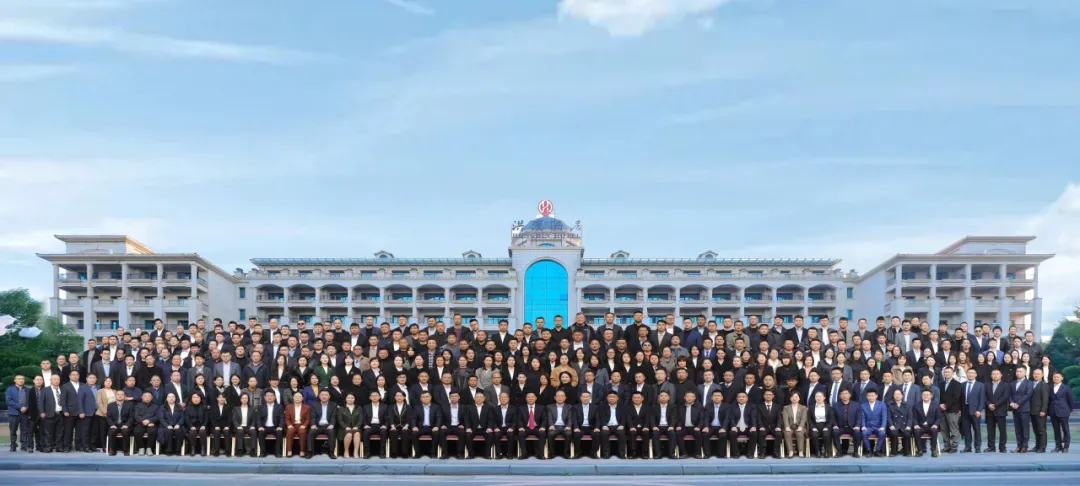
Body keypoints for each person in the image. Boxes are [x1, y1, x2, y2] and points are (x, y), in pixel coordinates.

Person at [959, 368, 985, 453]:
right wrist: (959, 409)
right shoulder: (962, 385)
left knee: (977, 429)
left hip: (975, 410)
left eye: (972, 373)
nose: (970, 374)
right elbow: (960, 399)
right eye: (969, 373)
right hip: (964, 410)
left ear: (975, 375)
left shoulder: (980, 385)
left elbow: (982, 399)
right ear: (966, 374)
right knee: (966, 430)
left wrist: (979, 410)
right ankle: (968, 447)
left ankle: (977, 447)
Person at [937, 366, 962, 453]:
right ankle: (947, 446)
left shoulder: (957, 384)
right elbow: (939, 396)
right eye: (945, 372)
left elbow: (956, 397)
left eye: (948, 372)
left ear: (953, 373)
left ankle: (954, 447)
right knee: (944, 430)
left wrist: (945, 405)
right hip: (942, 410)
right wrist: (940, 405)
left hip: (952, 410)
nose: (946, 373)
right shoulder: (941, 384)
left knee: (954, 429)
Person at [1010, 367, 1034, 453]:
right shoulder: (1013, 383)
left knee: (1025, 428)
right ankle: (1019, 446)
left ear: (1025, 373)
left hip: (1024, 408)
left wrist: (1018, 404)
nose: (1018, 373)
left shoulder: (1029, 383)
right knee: (1017, 429)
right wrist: (1011, 403)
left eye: (1020, 371)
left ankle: (1024, 446)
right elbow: (1010, 395)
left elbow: (1028, 395)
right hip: (1014, 409)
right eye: (1017, 371)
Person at [1049, 371, 1073, 453]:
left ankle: (1066, 446)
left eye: (1057, 377)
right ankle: (1058, 446)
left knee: (1065, 429)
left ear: (1062, 378)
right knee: (1056, 430)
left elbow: (1070, 400)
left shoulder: (1066, 388)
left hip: (1063, 411)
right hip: (1053, 411)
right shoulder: (1050, 387)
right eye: (1054, 377)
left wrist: (1068, 410)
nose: (1056, 378)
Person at [911, 389, 941, 457]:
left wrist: (935, 424)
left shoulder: (936, 405)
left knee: (934, 430)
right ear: (921, 396)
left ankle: (933, 450)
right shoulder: (916, 405)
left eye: (927, 395)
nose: (926, 396)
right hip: (920, 426)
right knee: (916, 431)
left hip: (931, 426)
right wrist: (915, 424)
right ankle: (920, 450)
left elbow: (939, 417)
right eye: (924, 395)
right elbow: (914, 417)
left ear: (931, 396)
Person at [859, 389, 888, 456]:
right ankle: (869, 451)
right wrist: (863, 426)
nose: (871, 397)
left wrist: (883, 427)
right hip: (868, 427)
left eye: (872, 396)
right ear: (866, 396)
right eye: (869, 396)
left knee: (882, 433)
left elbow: (884, 417)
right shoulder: (863, 405)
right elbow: (862, 417)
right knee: (864, 433)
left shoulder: (882, 404)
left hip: (878, 427)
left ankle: (877, 451)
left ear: (876, 396)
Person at [257, 389, 284, 457]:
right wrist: (260, 426)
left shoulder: (279, 407)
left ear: (274, 397)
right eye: (268, 396)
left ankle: (278, 452)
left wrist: (280, 426)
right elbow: (258, 418)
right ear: (265, 397)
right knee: (260, 433)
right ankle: (262, 452)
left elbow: (282, 418)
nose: (269, 397)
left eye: (271, 396)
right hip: (264, 427)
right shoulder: (260, 407)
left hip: (275, 427)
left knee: (279, 433)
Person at [105, 389, 133, 456]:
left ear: (124, 396)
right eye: (118, 394)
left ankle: (126, 450)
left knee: (126, 432)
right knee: (111, 431)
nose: (120, 396)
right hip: (114, 424)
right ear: (115, 396)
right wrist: (112, 424)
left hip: (124, 424)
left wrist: (127, 425)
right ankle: (112, 450)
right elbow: (108, 417)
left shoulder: (129, 405)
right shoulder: (110, 405)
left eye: (122, 394)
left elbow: (131, 417)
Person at [6, 375, 29, 452]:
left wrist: (26, 407)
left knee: (24, 430)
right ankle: (13, 445)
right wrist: (20, 407)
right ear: (15, 380)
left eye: (22, 379)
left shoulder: (27, 389)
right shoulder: (10, 389)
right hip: (13, 413)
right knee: (13, 430)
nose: (21, 380)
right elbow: (9, 401)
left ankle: (24, 446)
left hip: (25, 413)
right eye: (19, 379)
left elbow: (30, 401)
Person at [132, 390, 160, 455]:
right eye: (145, 396)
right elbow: (136, 416)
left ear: (152, 398)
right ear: (142, 397)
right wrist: (143, 421)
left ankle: (149, 448)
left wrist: (149, 421)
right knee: (137, 431)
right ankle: (141, 448)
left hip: (151, 424)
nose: (147, 398)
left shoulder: (156, 407)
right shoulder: (137, 406)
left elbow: (157, 417)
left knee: (152, 431)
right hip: (140, 423)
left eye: (149, 396)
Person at [1029, 368, 1050, 453]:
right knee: (1035, 429)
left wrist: (1043, 410)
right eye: (1035, 373)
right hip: (1032, 410)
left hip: (1040, 411)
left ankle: (1042, 447)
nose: (1036, 375)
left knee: (1041, 430)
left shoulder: (1044, 385)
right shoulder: (1031, 384)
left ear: (1042, 375)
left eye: (1038, 374)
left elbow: (1045, 399)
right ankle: (1037, 446)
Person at [886, 388, 912, 456]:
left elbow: (910, 417)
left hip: (904, 425)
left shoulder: (907, 405)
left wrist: (908, 425)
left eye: (899, 394)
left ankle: (906, 451)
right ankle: (894, 452)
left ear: (902, 395)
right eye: (895, 394)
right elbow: (888, 417)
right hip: (894, 425)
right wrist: (891, 425)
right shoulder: (889, 404)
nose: (897, 396)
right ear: (893, 395)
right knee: (894, 433)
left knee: (907, 434)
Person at [337, 392, 363, 458]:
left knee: (357, 433)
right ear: (345, 399)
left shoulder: (359, 408)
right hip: (344, 429)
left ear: (354, 399)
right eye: (348, 398)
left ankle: (355, 452)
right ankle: (346, 451)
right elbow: (340, 420)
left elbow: (361, 420)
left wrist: (357, 426)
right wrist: (345, 427)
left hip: (356, 428)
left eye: (352, 398)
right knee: (349, 434)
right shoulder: (341, 408)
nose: (350, 399)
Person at [284, 391, 309, 458]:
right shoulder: (288, 407)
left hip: (301, 425)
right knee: (290, 431)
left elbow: (308, 419)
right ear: (293, 398)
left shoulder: (307, 407)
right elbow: (287, 418)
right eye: (296, 396)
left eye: (299, 397)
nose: (297, 398)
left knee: (302, 432)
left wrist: (304, 425)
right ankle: (289, 450)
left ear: (302, 398)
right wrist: (289, 425)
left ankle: (302, 451)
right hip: (292, 425)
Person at [808, 391, 833, 458]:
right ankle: (817, 451)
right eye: (816, 396)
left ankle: (826, 451)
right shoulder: (811, 407)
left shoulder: (828, 407)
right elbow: (809, 419)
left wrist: (827, 427)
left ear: (824, 397)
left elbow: (831, 419)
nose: (818, 398)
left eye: (820, 396)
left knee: (826, 434)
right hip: (815, 425)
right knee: (814, 435)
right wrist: (813, 427)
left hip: (825, 425)